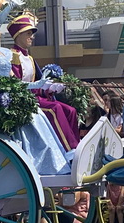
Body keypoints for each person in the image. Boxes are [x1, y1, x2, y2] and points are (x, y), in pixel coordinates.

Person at [0, 0, 71, 175]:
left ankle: (55, 165)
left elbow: (15, 84)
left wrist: (38, 85)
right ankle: (33, 167)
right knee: (34, 115)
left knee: (38, 115)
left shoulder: (3, 53)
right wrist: (8, 7)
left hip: (11, 96)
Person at [6, 11, 80, 150]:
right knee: (55, 109)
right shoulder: (13, 56)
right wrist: (41, 87)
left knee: (71, 111)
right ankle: (70, 149)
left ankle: (77, 145)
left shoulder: (30, 58)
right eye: (28, 33)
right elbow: (16, 85)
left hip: (36, 97)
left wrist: (50, 88)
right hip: (25, 100)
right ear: (18, 34)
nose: (32, 37)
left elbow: (38, 82)